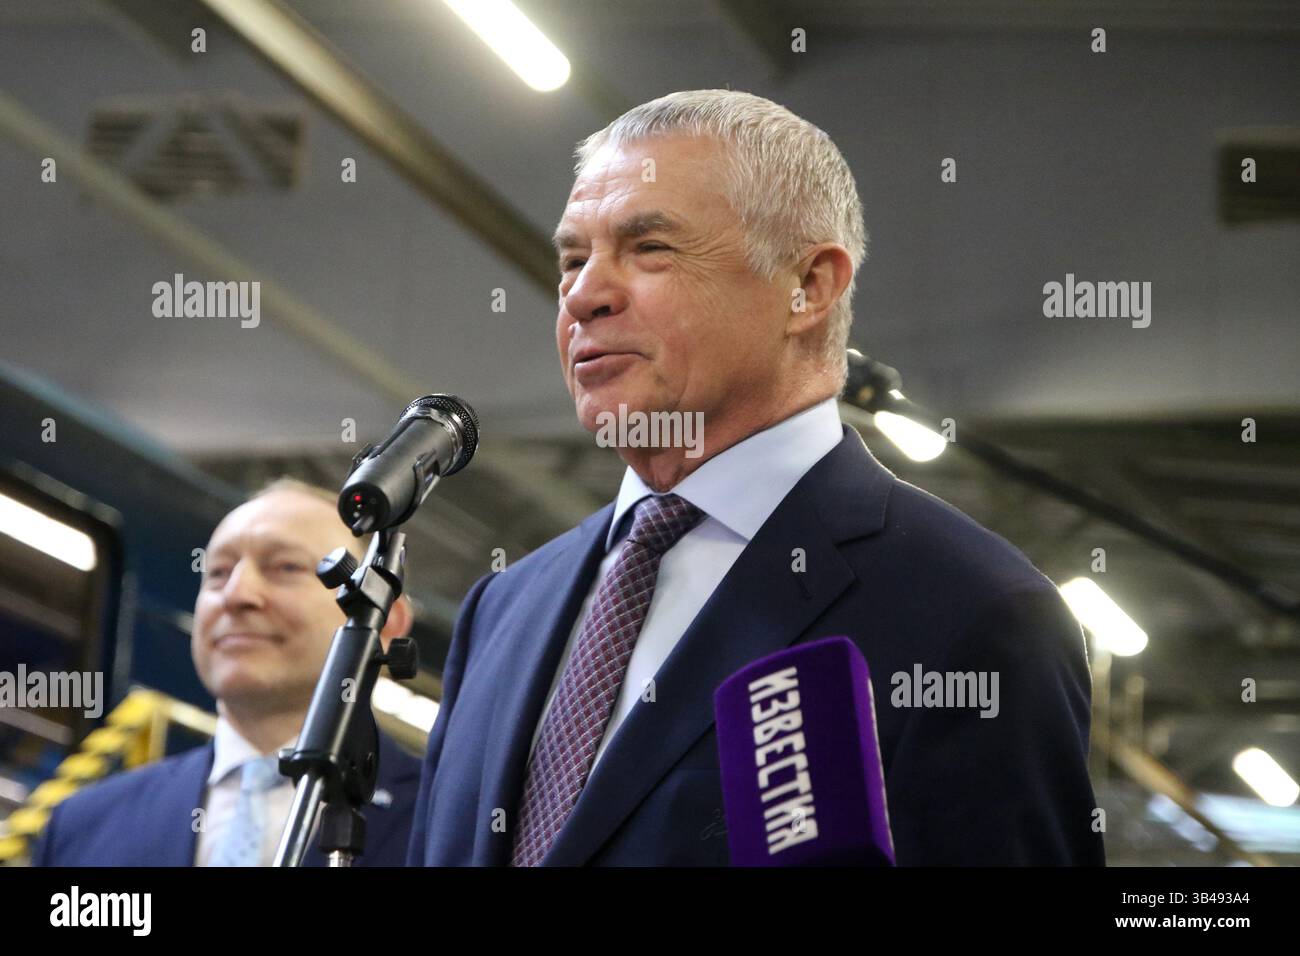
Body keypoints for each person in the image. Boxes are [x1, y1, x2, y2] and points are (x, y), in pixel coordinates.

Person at [407, 89, 1105, 866]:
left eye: (650, 249)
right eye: (573, 258)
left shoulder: (971, 614)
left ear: (809, 285)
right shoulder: (503, 608)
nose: (583, 294)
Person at [34, 478, 420, 866]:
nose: (237, 595)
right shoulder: (82, 827)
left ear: (385, 622)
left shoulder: (443, 814)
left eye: (285, 567)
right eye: (218, 572)